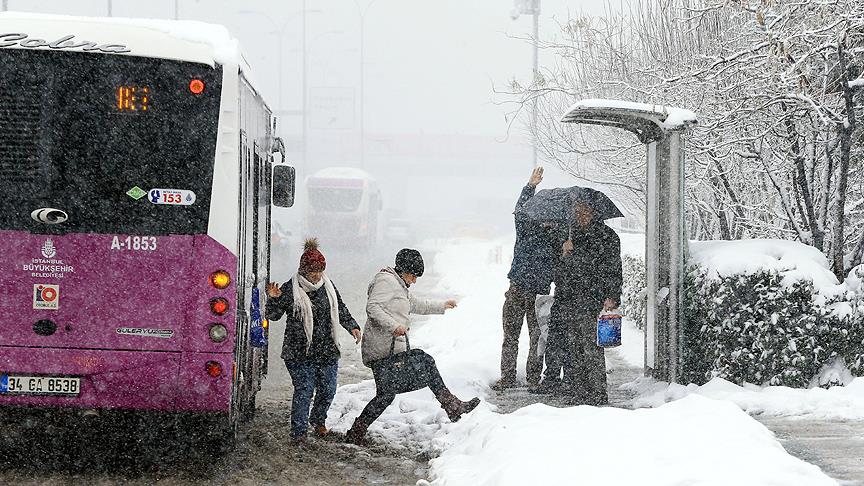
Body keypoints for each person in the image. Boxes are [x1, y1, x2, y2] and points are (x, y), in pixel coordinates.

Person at [345, 249, 480, 446]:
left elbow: (416, 305)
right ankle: (452, 406)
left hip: (389, 348)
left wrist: (442, 305)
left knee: (386, 395)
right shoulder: (386, 282)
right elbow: (372, 307)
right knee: (422, 363)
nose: (415, 280)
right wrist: (394, 326)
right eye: (414, 275)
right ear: (404, 270)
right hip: (381, 348)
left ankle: (356, 432)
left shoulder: (399, 286)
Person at [265, 238, 362, 443]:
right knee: (305, 389)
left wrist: (352, 326)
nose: (317, 276)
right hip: (299, 352)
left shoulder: (328, 286)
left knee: (328, 390)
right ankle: (299, 434)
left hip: (327, 350)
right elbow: (273, 316)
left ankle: (318, 420)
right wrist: (273, 298)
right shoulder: (290, 289)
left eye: (320, 271)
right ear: (303, 271)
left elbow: (341, 309)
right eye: (313, 272)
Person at [539, 202, 622, 405]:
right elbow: (556, 269)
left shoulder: (607, 236)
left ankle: (597, 393)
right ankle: (579, 392)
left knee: (592, 348)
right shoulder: (568, 234)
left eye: (585, 211)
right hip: (568, 298)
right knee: (572, 347)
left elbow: (613, 268)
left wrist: (612, 295)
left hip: (592, 298)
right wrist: (563, 253)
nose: (581, 215)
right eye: (577, 211)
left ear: (594, 212)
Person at [492, 167, 559, 391]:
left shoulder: (557, 238)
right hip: (518, 288)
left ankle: (532, 378)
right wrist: (529, 187)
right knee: (511, 335)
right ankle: (508, 376)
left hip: (539, 293)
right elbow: (519, 211)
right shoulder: (527, 228)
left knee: (537, 337)